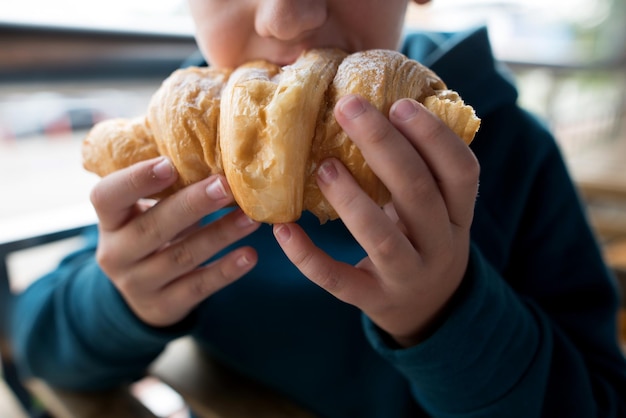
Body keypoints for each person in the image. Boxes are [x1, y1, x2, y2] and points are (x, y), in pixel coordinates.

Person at [9, 0, 626, 416]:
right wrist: (121, 299)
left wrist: (447, 315)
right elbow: (40, 343)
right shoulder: (189, 156)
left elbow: (597, 399)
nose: (288, 17)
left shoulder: (516, 156)